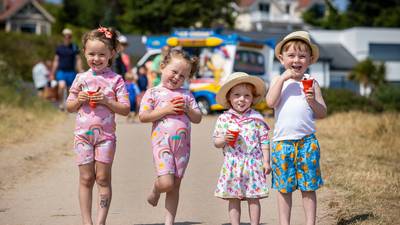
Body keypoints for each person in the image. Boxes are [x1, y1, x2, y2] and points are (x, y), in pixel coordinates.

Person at [65, 27, 130, 225]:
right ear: (84, 52)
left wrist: (107, 102)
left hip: (105, 138)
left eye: (102, 54)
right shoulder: (80, 79)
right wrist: (78, 101)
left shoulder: (116, 80)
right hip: (83, 136)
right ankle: (87, 222)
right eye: (91, 53)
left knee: (102, 178)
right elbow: (69, 106)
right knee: (86, 179)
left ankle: (101, 222)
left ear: (112, 54)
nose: (96, 58)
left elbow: (126, 109)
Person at [266, 31, 327, 225]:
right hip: (282, 143)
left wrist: (312, 101)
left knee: (308, 187)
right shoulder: (279, 81)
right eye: (291, 55)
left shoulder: (312, 82)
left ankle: (311, 222)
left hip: (307, 142)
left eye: (302, 56)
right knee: (284, 188)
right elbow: (270, 102)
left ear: (309, 60)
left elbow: (322, 112)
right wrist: (282, 79)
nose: (296, 60)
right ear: (281, 58)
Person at [138, 48, 202, 225]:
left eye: (182, 76)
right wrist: (165, 110)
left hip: (182, 148)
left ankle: (169, 221)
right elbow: (143, 116)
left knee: (176, 185)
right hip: (162, 145)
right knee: (166, 183)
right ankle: (156, 190)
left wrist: (188, 109)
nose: (176, 78)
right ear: (163, 67)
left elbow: (198, 118)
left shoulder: (187, 95)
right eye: (174, 72)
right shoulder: (153, 93)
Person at [213, 72, 271, 225]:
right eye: (237, 95)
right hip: (232, 163)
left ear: (252, 99)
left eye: (246, 95)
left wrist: (266, 161)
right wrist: (224, 139)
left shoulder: (256, 118)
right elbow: (216, 142)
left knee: (254, 197)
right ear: (229, 98)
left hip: (253, 163)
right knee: (233, 198)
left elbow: (264, 141)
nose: (241, 99)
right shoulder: (224, 118)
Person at [50, 28, 84, 110]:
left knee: (71, 90)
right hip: (61, 71)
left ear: (71, 37)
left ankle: (70, 106)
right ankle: (61, 103)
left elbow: (78, 59)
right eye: (65, 36)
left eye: (69, 36)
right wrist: (52, 73)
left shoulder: (74, 47)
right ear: (63, 37)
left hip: (71, 72)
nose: (67, 38)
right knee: (61, 86)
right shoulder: (59, 48)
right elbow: (56, 61)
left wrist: (80, 70)